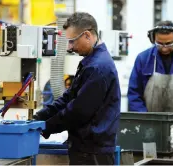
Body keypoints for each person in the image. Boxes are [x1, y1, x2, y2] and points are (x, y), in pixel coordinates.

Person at [33, 12, 121, 165]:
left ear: (87, 35)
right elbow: (69, 97)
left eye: (72, 41)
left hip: (93, 153)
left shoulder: (98, 67)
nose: (69, 47)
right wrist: (40, 117)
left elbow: (78, 111)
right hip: (86, 148)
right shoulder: (90, 61)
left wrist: (45, 126)